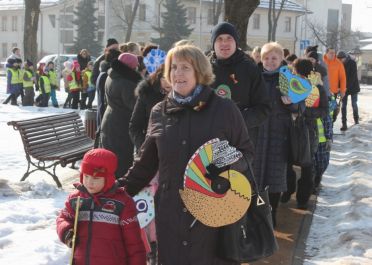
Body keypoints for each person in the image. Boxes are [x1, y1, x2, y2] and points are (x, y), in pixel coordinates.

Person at [118, 44, 254, 265]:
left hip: (213, 212)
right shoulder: (159, 112)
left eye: (185, 68)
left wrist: (222, 165)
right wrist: (112, 192)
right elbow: (145, 165)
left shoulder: (224, 109)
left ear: (199, 72)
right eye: (173, 68)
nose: (177, 73)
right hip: (170, 213)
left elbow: (246, 153)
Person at [56, 148, 146, 265]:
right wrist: (66, 231)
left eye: (96, 178)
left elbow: (134, 244)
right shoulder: (76, 199)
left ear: (108, 178)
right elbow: (63, 218)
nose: (89, 182)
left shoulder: (122, 203)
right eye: (86, 176)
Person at [254, 42, 302, 226]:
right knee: (255, 175)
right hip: (258, 132)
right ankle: (257, 214)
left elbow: (299, 107)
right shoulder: (255, 77)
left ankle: (272, 213)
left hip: (279, 133)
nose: (270, 61)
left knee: (275, 175)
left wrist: (291, 103)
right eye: (266, 58)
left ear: (281, 59)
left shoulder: (288, 78)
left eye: (274, 58)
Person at [209, 22, 271, 147]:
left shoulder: (250, 69)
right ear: (213, 44)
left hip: (241, 141)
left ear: (236, 43)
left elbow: (263, 108)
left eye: (229, 38)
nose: (224, 43)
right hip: (208, 142)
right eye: (219, 39)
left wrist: (237, 120)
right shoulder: (204, 69)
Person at [281, 59, 328, 209]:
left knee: (304, 164)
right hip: (295, 128)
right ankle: (294, 193)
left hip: (307, 130)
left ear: (295, 70)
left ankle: (301, 196)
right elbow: (324, 110)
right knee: (291, 161)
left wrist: (303, 111)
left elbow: (324, 110)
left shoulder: (315, 88)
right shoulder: (296, 85)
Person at [100, 53, 142, 178]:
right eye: (135, 67)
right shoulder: (126, 83)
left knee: (112, 156)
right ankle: (118, 187)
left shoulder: (112, 75)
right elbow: (135, 106)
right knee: (121, 158)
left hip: (111, 120)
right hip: (120, 124)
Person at [129, 64, 171, 152]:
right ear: (159, 78)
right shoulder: (147, 93)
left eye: (171, 78)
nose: (168, 82)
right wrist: (143, 147)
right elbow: (135, 126)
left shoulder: (183, 94)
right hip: (151, 149)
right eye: (164, 78)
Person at [337, 51, 360, 130]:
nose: (340, 61)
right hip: (343, 88)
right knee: (343, 106)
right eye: (339, 59)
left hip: (353, 87)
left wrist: (345, 87)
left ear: (345, 57)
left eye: (341, 59)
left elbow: (353, 77)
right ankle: (344, 124)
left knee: (354, 104)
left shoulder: (352, 63)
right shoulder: (338, 64)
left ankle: (356, 119)